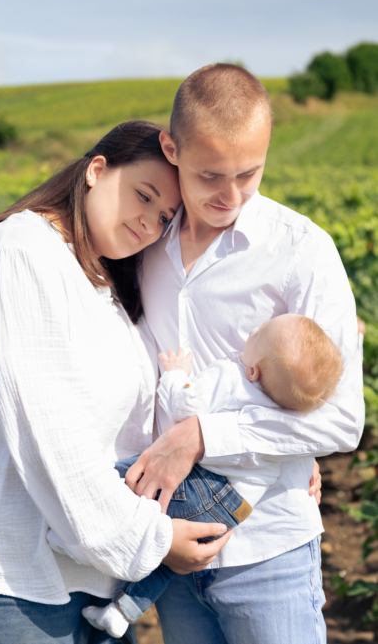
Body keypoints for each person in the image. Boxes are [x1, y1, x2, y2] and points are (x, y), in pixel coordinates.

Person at [0, 121, 232, 644]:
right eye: (143, 195)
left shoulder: (101, 275)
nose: (148, 224)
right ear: (96, 169)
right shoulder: (18, 255)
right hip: (14, 575)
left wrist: (276, 453)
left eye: (163, 217)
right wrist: (153, 539)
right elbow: (51, 442)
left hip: (89, 567)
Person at [123, 64, 364, 644]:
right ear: (171, 148)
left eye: (249, 174)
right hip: (173, 552)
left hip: (270, 550)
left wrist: (203, 435)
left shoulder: (302, 251)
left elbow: (341, 420)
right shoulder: (142, 240)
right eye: (210, 176)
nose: (230, 196)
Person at [79, 314, 344, 639]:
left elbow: (186, 406)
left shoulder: (234, 376)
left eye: (258, 332)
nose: (253, 329)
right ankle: (121, 613)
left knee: (119, 479)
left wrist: (176, 374)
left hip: (205, 487)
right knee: (170, 556)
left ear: (253, 371)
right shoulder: (287, 411)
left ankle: (72, 538)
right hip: (237, 509)